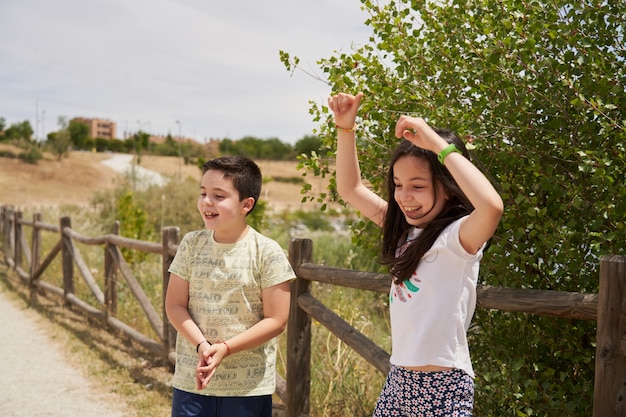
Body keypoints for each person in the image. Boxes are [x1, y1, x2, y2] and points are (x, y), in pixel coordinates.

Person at [328, 92, 504, 416]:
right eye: (398, 184)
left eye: (418, 186)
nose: (404, 197)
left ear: (448, 187)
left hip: (444, 386)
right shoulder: (403, 232)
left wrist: (438, 145)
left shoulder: (457, 239)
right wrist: (345, 129)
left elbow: (492, 207)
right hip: (399, 380)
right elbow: (350, 189)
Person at [165, 155, 295, 417]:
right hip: (193, 382)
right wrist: (202, 346)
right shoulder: (191, 244)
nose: (206, 203)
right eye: (203, 193)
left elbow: (277, 320)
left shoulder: (267, 252)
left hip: (247, 388)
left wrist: (225, 348)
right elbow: (175, 305)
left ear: (246, 204)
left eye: (219, 196)